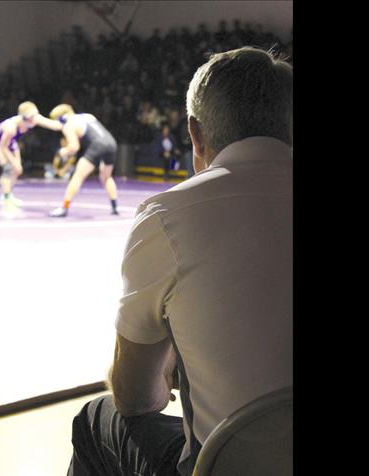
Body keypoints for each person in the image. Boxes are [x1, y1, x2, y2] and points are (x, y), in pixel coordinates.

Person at [67, 46, 293, 475]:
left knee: (96, 421)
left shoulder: (169, 216)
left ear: (195, 132)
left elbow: (136, 398)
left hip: (227, 466)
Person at [48, 104, 119, 217]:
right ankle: (115, 207)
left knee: (78, 176)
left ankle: (64, 208)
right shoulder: (88, 116)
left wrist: (63, 151)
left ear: (62, 118)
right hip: (111, 143)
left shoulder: (68, 125)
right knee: (106, 176)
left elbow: (74, 147)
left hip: (97, 145)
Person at [0, 101, 61, 213]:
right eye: (30, 118)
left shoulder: (34, 118)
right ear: (22, 117)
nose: (33, 120)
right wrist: (13, 161)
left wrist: (68, 120)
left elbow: (55, 125)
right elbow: (3, 146)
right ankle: (6, 199)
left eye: (34, 116)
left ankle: (7, 195)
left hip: (12, 141)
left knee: (18, 170)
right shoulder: (11, 128)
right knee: (8, 169)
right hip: (0, 142)